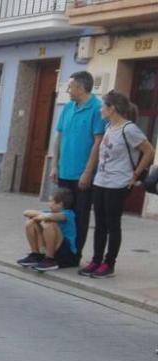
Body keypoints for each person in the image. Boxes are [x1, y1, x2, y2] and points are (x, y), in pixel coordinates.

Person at [82, 91, 155, 278]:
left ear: (112, 108)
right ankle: (96, 260)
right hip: (101, 181)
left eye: (103, 106)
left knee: (112, 224)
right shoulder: (108, 126)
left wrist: (135, 174)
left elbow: (149, 151)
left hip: (118, 183)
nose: (101, 109)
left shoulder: (128, 129)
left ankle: (109, 264)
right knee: (99, 224)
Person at [53, 71, 106, 263]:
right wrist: (54, 165)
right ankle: (56, 250)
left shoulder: (97, 109)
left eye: (70, 86)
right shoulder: (67, 108)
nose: (67, 90)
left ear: (81, 88)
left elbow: (97, 142)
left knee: (79, 216)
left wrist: (88, 172)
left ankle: (74, 255)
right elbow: (59, 137)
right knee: (60, 213)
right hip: (64, 171)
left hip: (82, 175)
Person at [17, 189, 79, 271]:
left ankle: (50, 259)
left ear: (60, 204)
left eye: (51, 201)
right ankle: (36, 255)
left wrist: (38, 217)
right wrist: (38, 217)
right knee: (30, 223)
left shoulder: (68, 214)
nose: (49, 203)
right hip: (53, 246)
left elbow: (48, 217)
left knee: (49, 224)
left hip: (66, 253)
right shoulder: (49, 212)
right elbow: (26, 212)